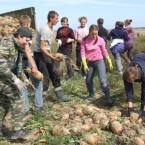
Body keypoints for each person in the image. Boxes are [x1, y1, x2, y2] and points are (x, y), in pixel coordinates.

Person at [0, 27, 33, 140]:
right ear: (19, 36)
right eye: (27, 40)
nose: (28, 43)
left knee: (4, 104)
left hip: (5, 78)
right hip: (2, 78)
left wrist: (25, 79)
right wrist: (14, 79)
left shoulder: (18, 47)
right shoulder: (8, 43)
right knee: (17, 98)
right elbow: (0, 64)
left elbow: (17, 68)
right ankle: (17, 130)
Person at [34, 11, 70, 102]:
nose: (58, 20)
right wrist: (52, 57)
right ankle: (42, 100)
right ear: (51, 18)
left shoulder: (50, 29)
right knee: (45, 77)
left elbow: (47, 46)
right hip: (39, 55)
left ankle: (60, 95)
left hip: (45, 54)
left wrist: (51, 55)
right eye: (57, 18)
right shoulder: (45, 29)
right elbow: (42, 48)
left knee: (54, 73)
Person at [81, 24, 113, 106]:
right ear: (89, 32)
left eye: (96, 33)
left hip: (99, 61)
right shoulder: (85, 40)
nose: (95, 35)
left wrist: (108, 59)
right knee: (88, 80)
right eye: (93, 34)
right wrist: (84, 63)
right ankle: (91, 95)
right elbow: (83, 52)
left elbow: (104, 50)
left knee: (102, 80)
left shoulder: (100, 40)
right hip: (90, 62)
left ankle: (108, 98)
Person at [19, 15, 44, 113]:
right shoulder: (26, 33)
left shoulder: (17, 33)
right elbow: (28, 52)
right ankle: (38, 107)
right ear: (28, 23)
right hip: (27, 61)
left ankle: (25, 110)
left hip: (19, 62)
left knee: (24, 85)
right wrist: (33, 66)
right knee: (37, 84)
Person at [123, 53, 145, 117]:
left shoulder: (143, 74)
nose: (128, 82)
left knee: (144, 89)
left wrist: (144, 110)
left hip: (143, 63)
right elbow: (128, 90)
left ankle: (142, 108)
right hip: (139, 58)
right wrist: (130, 107)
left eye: (130, 81)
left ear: (135, 78)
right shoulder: (126, 74)